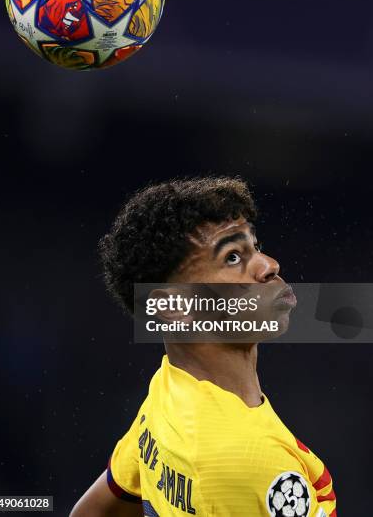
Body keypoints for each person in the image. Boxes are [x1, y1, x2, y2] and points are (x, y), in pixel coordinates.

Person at [70, 176, 336, 517]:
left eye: (255, 246)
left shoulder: (169, 392)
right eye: (232, 258)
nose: (269, 266)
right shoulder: (248, 464)